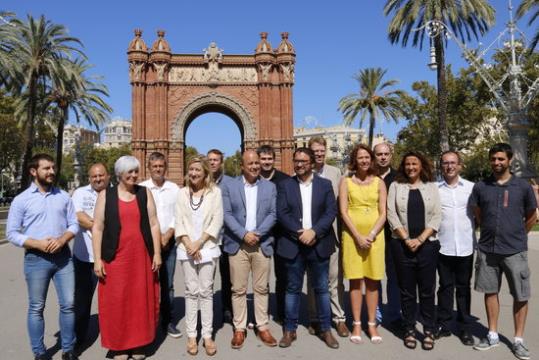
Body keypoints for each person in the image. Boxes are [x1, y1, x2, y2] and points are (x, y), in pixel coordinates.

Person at [7, 153, 80, 360]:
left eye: (52, 168)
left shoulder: (64, 196)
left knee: (68, 304)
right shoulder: (21, 200)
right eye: (46, 168)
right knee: (37, 307)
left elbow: (73, 224)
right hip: (36, 259)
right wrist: (37, 243)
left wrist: (63, 239)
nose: (51, 172)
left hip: (63, 258)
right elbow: (11, 233)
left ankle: (68, 349)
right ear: (33, 171)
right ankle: (39, 352)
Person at [470, 143, 537, 360]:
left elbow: (531, 216)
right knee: (490, 292)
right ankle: (492, 334)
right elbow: (478, 213)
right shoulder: (481, 187)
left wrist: (518, 235)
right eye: (493, 159)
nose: (496, 163)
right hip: (488, 249)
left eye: (500, 159)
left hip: (515, 250)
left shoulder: (523, 187)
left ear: (509, 160)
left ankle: (518, 340)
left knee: (521, 294)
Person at [92, 156, 161, 360]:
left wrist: (156, 253)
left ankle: (139, 343)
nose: (133, 175)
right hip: (115, 258)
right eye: (129, 172)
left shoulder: (144, 193)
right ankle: (120, 345)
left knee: (139, 300)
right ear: (119, 174)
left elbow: (154, 223)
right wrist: (97, 259)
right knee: (117, 301)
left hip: (141, 256)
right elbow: (97, 227)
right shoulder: (106, 195)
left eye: (135, 171)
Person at [276, 147, 340, 349]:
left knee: (321, 289)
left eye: (303, 161)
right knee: (292, 289)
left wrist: (314, 232)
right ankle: (289, 330)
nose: (299, 164)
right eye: (296, 161)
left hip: (318, 244)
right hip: (293, 245)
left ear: (312, 163)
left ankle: (326, 329)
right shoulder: (286, 185)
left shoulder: (325, 184)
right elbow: (282, 213)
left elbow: (331, 212)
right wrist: (299, 232)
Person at [222, 150, 278, 348]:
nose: (255, 166)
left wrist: (257, 233)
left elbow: (273, 213)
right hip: (238, 243)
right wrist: (244, 234)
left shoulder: (270, 187)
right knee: (238, 289)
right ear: (242, 166)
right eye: (251, 163)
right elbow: (226, 214)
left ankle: (262, 326)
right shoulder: (229, 186)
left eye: (257, 163)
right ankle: (240, 328)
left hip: (261, 243)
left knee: (261, 288)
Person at [387, 151, 441, 351]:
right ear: (403, 166)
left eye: (414, 164)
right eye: (408, 164)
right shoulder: (396, 186)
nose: (411, 167)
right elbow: (391, 214)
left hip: (427, 246)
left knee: (427, 291)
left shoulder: (431, 187)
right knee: (407, 291)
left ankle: (428, 329)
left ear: (421, 166)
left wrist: (419, 239)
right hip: (401, 245)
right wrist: (406, 239)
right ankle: (409, 328)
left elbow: (437, 216)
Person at [175, 155, 223, 356]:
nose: (194, 173)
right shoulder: (182, 193)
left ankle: (208, 335)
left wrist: (199, 243)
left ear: (205, 173)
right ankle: (192, 335)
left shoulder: (215, 193)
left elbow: (217, 221)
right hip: (187, 249)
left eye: (198, 170)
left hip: (207, 248)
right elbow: (178, 220)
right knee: (191, 291)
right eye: (191, 170)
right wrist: (188, 244)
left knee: (206, 291)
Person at [339, 144, 387, 344]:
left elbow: (383, 212)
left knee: (373, 280)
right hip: (352, 237)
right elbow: (343, 211)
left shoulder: (379, 182)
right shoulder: (346, 182)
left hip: (375, 237)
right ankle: (357, 323)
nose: (365, 160)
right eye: (360, 157)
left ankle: (371, 324)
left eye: (367, 157)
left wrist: (372, 233)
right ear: (354, 160)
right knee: (355, 281)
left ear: (371, 159)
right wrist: (358, 236)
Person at [307, 137, 348, 338]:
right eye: (315, 151)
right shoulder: (303, 172)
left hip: (332, 234)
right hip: (311, 236)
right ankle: (314, 318)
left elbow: (341, 205)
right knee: (314, 280)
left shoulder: (336, 173)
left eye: (322, 151)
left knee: (335, 278)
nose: (320, 154)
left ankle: (339, 318)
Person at [435, 151, 475, 345]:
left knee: (463, 288)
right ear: (441, 166)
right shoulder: (435, 189)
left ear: (460, 165)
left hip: (466, 247)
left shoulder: (471, 188)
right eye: (445, 163)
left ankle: (465, 327)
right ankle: (443, 324)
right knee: (444, 287)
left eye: (453, 163)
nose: (449, 166)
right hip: (443, 246)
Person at [139, 152, 181, 338]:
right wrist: (156, 238)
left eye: (161, 166)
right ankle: (148, 323)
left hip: (169, 243)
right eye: (154, 166)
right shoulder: (141, 188)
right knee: (147, 284)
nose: (158, 169)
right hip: (147, 244)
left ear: (166, 167)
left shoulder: (174, 189)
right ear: (149, 168)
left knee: (168, 284)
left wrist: (168, 234)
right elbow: (139, 217)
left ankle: (168, 321)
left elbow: (179, 214)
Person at [71, 163, 110, 350]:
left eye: (101, 175)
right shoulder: (80, 193)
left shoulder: (116, 193)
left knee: (112, 301)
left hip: (110, 257)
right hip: (84, 257)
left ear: (108, 176)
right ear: (89, 178)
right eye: (94, 176)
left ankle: (114, 337)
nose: (98, 179)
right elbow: (78, 215)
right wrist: (102, 227)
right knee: (81, 301)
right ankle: (78, 338)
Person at [257, 144, 290, 324]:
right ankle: (261, 314)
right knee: (260, 278)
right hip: (259, 236)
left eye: (270, 159)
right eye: (263, 159)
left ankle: (282, 314)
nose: (267, 162)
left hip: (281, 235)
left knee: (282, 275)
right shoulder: (251, 179)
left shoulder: (285, 180)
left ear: (274, 160)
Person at [373, 142, 401, 327]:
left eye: (386, 154)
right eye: (379, 154)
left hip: (394, 235)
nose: (383, 157)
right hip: (373, 234)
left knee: (394, 276)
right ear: (374, 156)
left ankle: (394, 314)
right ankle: (375, 314)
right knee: (374, 275)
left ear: (391, 155)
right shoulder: (367, 177)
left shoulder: (400, 177)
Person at [207, 148, 234, 324]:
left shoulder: (232, 183)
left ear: (221, 162)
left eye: (216, 160)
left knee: (227, 277)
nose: (212, 162)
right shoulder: (200, 181)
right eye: (209, 160)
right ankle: (206, 312)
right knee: (206, 278)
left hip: (226, 237)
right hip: (206, 239)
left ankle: (227, 309)